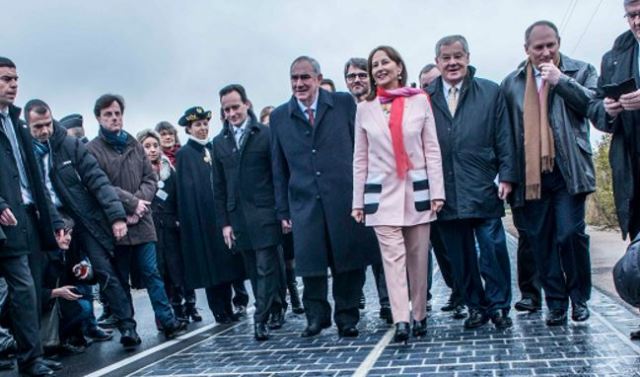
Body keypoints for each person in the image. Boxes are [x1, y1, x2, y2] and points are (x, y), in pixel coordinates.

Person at [503, 21, 597, 326]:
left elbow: (593, 108)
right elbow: (505, 133)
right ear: (526, 49)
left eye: (550, 45)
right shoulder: (512, 82)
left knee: (569, 235)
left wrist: (561, 82)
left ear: (558, 43)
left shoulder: (580, 71)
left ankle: (579, 298)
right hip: (531, 176)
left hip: (569, 171)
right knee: (540, 241)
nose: (545, 52)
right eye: (538, 47)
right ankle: (556, 303)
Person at [271, 56, 371, 338]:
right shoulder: (280, 117)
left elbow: (360, 148)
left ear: (318, 78)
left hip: (343, 198)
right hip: (303, 202)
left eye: (305, 77)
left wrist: (362, 194)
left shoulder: (342, 104)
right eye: (294, 78)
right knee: (311, 264)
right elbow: (278, 167)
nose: (299, 83)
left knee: (348, 261)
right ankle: (316, 318)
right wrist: (283, 211)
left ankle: (347, 316)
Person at [24, 99, 137, 348]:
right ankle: (70, 333)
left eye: (47, 124)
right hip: (49, 220)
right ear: (28, 125)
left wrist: (116, 215)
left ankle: (127, 326)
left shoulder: (68, 145)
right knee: (60, 276)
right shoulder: (25, 151)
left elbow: (96, 179)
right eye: (38, 127)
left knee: (103, 269)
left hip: (83, 217)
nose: (44, 131)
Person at [352, 46, 445, 342]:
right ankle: (400, 319)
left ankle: (419, 314)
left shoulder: (419, 100)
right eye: (374, 64)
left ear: (398, 66)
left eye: (385, 62)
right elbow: (360, 158)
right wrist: (357, 201)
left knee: (418, 257)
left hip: (416, 189)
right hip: (381, 195)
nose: (379, 68)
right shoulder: (364, 107)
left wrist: (437, 191)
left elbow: (431, 148)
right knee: (392, 259)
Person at [426, 35, 517, 330]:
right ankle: (475, 306)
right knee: (459, 255)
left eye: (458, 56)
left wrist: (507, 174)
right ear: (437, 62)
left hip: (481, 183)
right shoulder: (425, 97)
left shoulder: (490, 92)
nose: (452, 63)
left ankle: (500, 306)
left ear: (467, 57)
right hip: (444, 189)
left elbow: (505, 135)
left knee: (492, 248)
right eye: (446, 58)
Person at [87, 94, 187, 341]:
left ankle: (167, 320)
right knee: (120, 279)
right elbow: (102, 185)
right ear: (99, 117)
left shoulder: (134, 144)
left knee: (152, 273)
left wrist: (139, 206)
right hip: (116, 224)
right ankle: (128, 328)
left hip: (142, 222)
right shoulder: (92, 150)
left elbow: (150, 179)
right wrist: (130, 206)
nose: (114, 118)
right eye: (108, 114)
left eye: (117, 113)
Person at [0, 56, 67, 377]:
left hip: (24, 217)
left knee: (26, 289)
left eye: (15, 78)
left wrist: (53, 222)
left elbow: (35, 178)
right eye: (5, 79)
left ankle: (31, 359)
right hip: (4, 215)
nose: (13, 84)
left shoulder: (16, 122)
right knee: (21, 288)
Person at [212, 84, 286, 341]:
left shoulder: (265, 134)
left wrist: (282, 211)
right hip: (238, 218)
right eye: (226, 109)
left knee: (267, 266)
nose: (232, 113)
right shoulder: (219, 142)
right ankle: (275, 308)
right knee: (255, 270)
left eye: (235, 107)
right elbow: (218, 187)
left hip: (265, 213)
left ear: (247, 104)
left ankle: (260, 319)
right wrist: (225, 223)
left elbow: (278, 175)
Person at [175, 106, 246, 324]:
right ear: (189, 129)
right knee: (210, 269)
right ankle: (219, 310)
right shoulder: (185, 154)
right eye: (198, 125)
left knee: (226, 265)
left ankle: (229, 306)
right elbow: (187, 193)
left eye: (205, 124)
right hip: (202, 220)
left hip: (220, 218)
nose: (203, 128)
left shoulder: (214, 148)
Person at [343, 56, 391, 322]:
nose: (357, 80)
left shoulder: (381, 104)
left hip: (382, 185)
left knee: (382, 249)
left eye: (362, 75)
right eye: (352, 76)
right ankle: (354, 301)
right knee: (355, 248)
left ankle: (388, 303)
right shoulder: (340, 109)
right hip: (351, 189)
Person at [137, 130, 201, 324]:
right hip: (151, 226)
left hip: (172, 225)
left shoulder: (169, 169)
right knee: (159, 270)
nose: (153, 150)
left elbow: (179, 196)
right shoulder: (139, 172)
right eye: (147, 146)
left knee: (177, 267)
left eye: (155, 145)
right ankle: (166, 314)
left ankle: (186, 305)